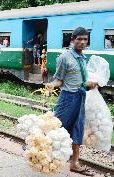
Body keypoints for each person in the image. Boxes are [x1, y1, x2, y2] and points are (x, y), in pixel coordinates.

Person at [45, 27, 97, 176]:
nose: (82, 42)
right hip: (67, 99)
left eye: (85, 39)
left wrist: (89, 83)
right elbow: (59, 80)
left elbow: (80, 80)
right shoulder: (64, 58)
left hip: (81, 98)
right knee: (57, 130)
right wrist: (50, 85)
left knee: (77, 130)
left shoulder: (83, 58)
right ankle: (44, 157)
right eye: (79, 39)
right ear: (72, 40)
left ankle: (74, 163)